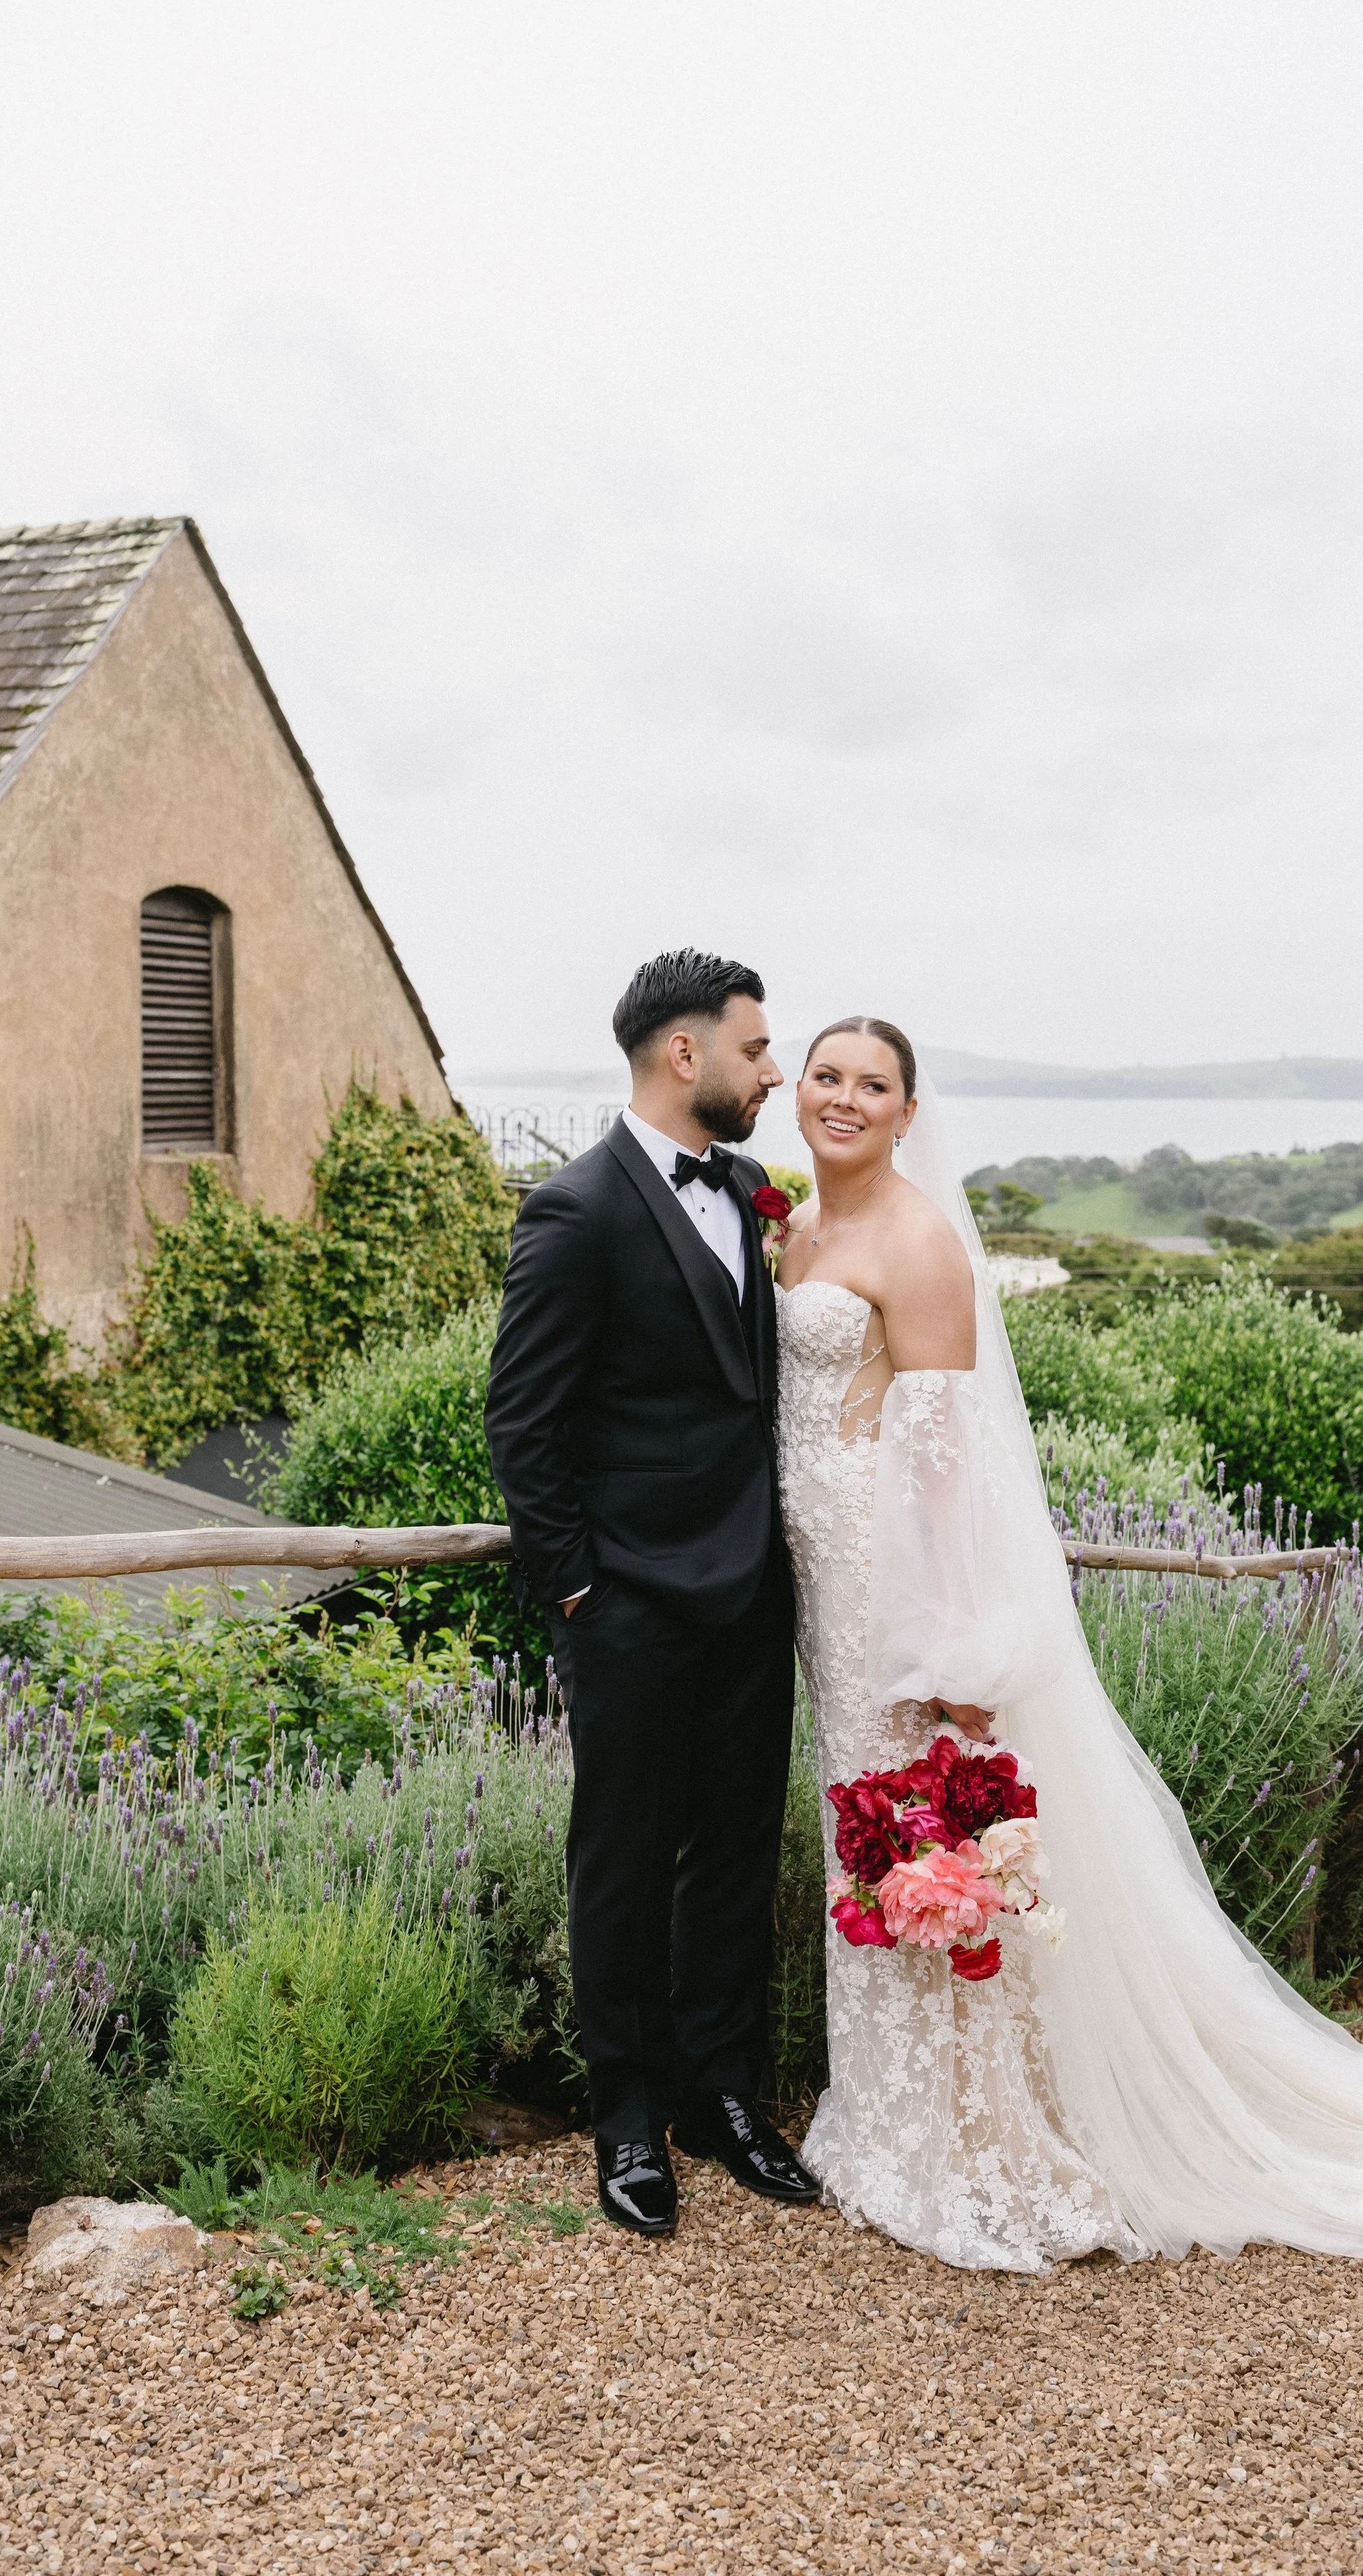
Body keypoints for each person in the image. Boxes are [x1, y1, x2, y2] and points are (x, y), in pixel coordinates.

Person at [776, 1016, 1363, 2270]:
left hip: (888, 1592)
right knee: (855, 1819)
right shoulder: (798, 1225)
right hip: (819, 1590)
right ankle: (889, 2110)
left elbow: (943, 1474)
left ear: (910, 1112)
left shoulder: (921, 1243)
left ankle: (969, 2136)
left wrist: (957, 1661)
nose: (845, 1098)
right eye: (826, 1075)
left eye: (874, 1084)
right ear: (797, 1091)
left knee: (915, 1825)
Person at [484, 949, 821, 2237]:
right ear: (686, 1056)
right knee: (621, 1862)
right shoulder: (575, 1212)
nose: (772, 1070)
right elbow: (525, 1420)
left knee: (735, 1852)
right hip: (626, 1604)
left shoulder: (751, 1190)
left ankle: (720, 2098)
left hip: (751, 1596)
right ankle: (626, 2120)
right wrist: (577, 1591)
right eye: (755, 1048)